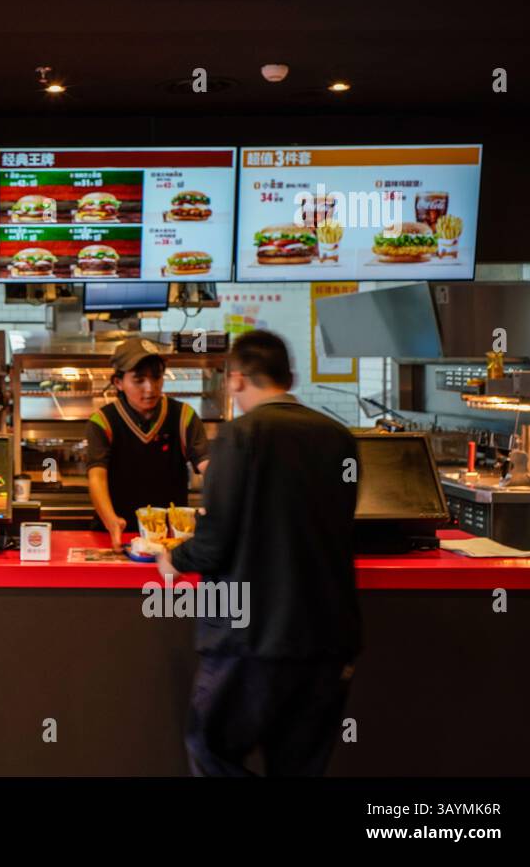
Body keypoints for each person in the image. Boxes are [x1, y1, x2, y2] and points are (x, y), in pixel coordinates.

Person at [156, 330, 360, 777]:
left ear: (236, 379)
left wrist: (173, 558)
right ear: (290, 377)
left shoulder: (240, 437)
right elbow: (344, 529)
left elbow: (215, 539)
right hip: (328, 638)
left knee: (211, 748)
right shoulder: (340, 439)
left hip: (251, 637)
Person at [86, 338, 210, 551]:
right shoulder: (103, 422)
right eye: (139, 380)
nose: (150, 388)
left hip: (170, 541)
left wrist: (220, 503)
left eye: (156, 377)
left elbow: (207, 466)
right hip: (118, 534)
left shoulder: (183, 416)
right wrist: (111, 520)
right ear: (118, 382)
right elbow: (97, 475)